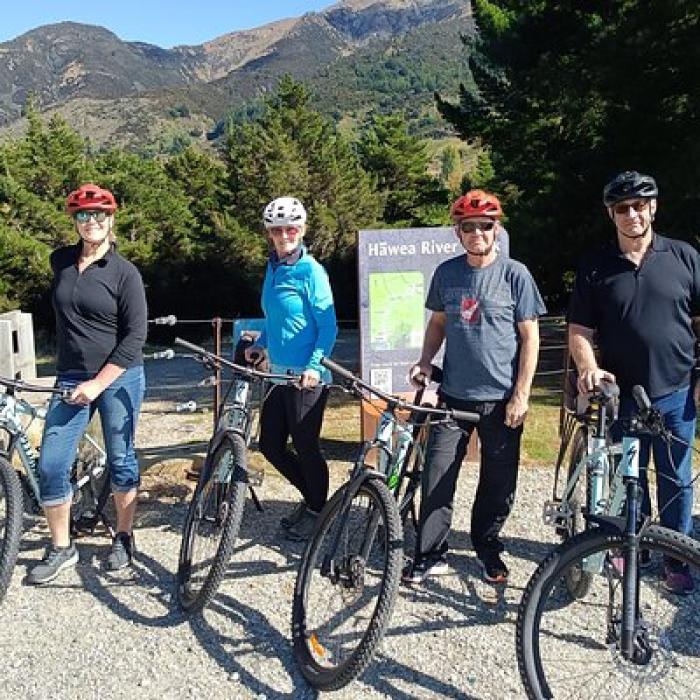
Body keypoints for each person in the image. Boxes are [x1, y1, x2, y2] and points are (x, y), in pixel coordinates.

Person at [403, 189, 546, 584]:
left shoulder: (515, 274)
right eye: (469, 227)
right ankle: (430, 553)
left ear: (496, 229)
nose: (477, 233)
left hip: (501, 400)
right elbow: (438, 323)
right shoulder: (447, 273)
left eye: (485, 226)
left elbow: (530, 337)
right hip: (453, 395)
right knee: (436, 475)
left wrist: (522, 394)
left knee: (498, 484)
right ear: (458, 232)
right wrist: (424, 360)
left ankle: (488, 548)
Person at [568, 170, 699, 594]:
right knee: (630, 476)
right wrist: (588, 367)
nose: (631, 214)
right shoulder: (595, 266)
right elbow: (579, 331)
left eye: (639, 205)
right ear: (611, 214)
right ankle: (633, 547)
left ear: (653, 207)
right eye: (621, 208)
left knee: (676, 478)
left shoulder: (684, 256)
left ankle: (677, 557)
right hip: (620, 394)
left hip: (676, 391)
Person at [28, 183, 147, 585]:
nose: (91, 221)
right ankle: (62, 547)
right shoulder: (59, 260)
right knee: (52, 463)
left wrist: (99, 383)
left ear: (112, 220)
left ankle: (124, 537)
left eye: (98, 215)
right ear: (74, 221)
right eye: (82, 215)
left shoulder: (124, 273)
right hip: (71, 377)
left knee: (121, 459)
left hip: (119, 378)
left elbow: (135, 337)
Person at [245, 196, 337, 541]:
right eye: (277, 229)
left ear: (302, 230)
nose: (285, 235)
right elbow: (278, 317)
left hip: (306, 376)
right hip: (277, 374)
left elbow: (327, 326)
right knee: (270, 445)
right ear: (269, 233)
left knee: (306, 444)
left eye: (291, 228)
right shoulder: (274, 266)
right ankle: (316, 500)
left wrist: (314, 366)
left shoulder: (310, 270)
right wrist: (262, 344)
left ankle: (317, 509)